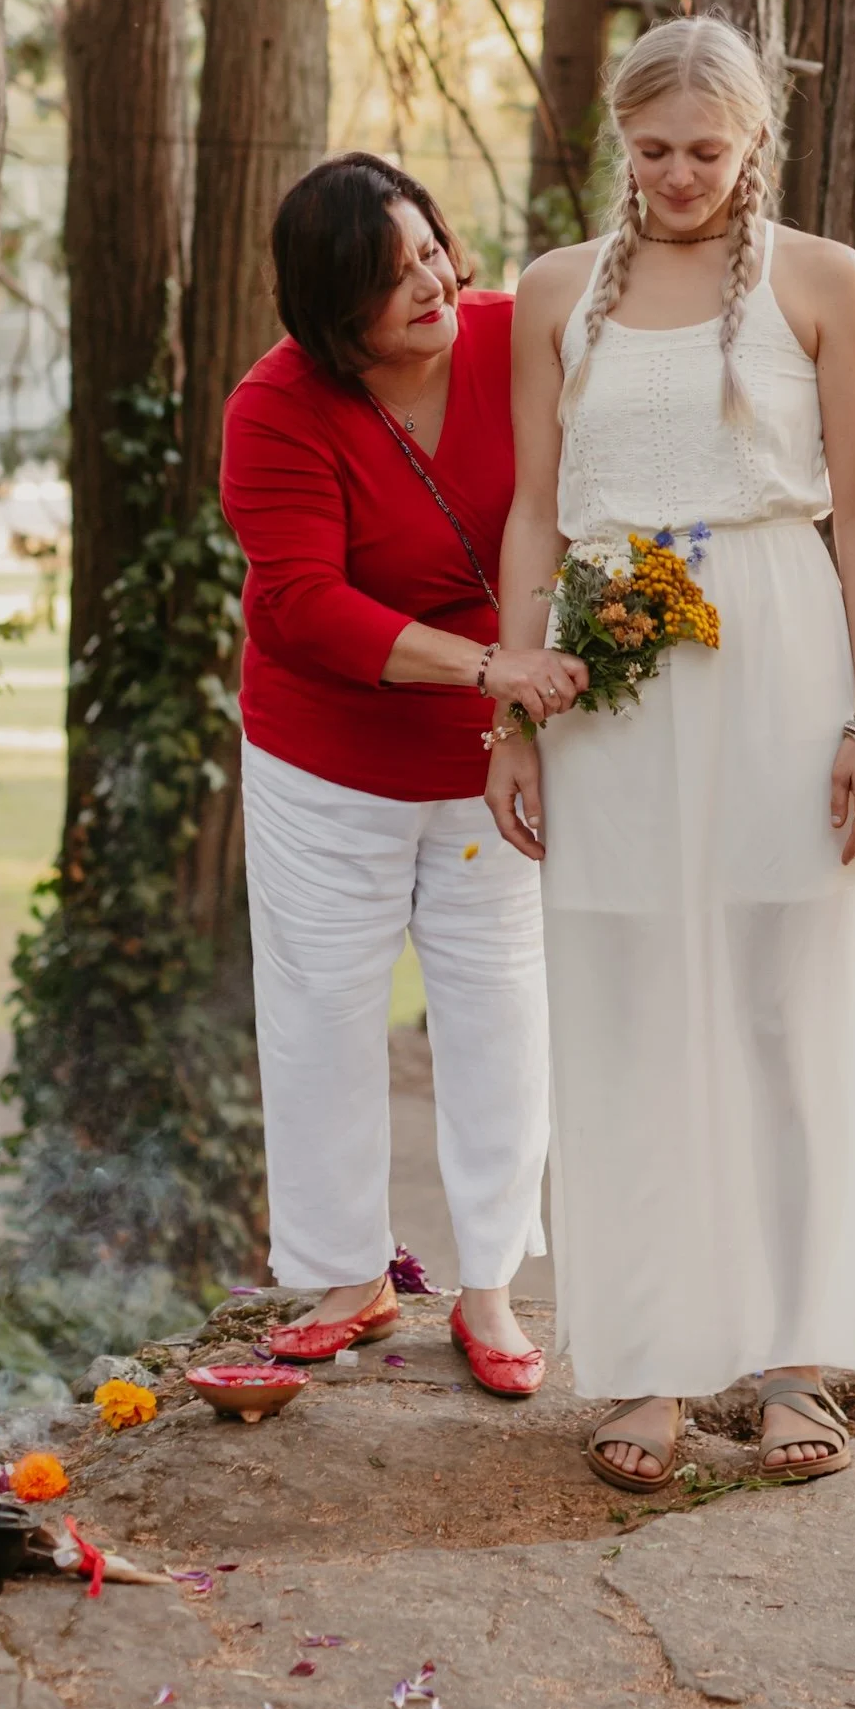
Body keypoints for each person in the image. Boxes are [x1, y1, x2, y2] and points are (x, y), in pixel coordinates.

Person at [487, 17, 855, 1486]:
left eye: (707, 151)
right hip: (610, 667)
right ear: (620, 143)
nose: (679, 176)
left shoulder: (822, 283)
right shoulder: (556, 292)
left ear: (753, 147)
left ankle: (796, 1364)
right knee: (627, 1001)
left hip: (783, 654)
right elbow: (534, 516)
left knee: (781, 1001)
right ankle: (649, 1364)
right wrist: (513, 714)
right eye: (653, 151)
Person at [222, 153, 589, 1397]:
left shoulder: (512, 341)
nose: (429, 282)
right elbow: (305, 604)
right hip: (326, 758)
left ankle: (486, 1287)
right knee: (325, 1010)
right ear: (333, 312)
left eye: (429, 246)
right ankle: (347, 1276)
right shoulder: (272, 411)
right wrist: (489, 669)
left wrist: (513, 705)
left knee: (497, 1011)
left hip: (494, 755)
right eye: (390, 278)